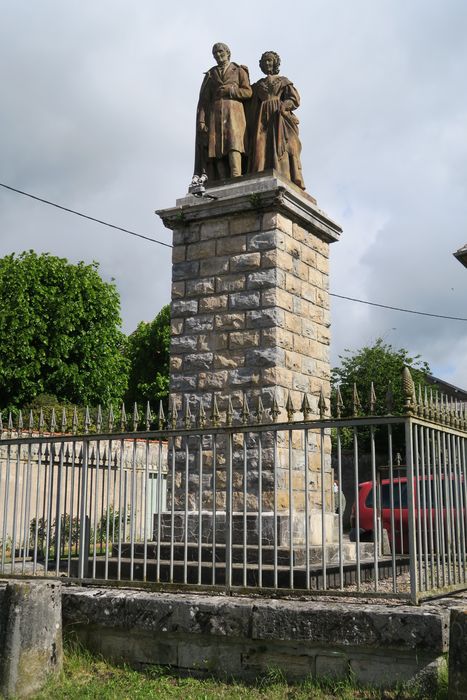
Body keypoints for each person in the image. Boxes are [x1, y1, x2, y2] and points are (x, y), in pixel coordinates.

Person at [194, 43, 252, 181]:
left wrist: (231, 91)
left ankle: (236, 176)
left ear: (227, 52)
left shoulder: (239, 70)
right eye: (215, 54)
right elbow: (204, 100)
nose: (218, 55)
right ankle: (222, 180)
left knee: (234, 144)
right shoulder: (211, 74)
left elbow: (248, 92)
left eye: (220, 52)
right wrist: (202, 120)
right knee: (217, 148)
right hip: (215, 114)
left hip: (234, 112)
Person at [248, 51, 305, 189]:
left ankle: (283, 175)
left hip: (279, 116)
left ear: (275, 63)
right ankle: (259, 174)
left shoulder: (283, 81)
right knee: (260, 146)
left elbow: (294, 99)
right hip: (261, 118)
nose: (267, 63)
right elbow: (250, 103)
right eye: (265, 61)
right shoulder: (258, 85)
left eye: (270, 60)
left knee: (281, 146)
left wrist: (285, 105)